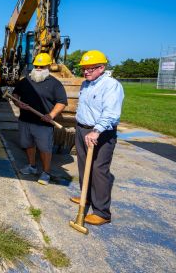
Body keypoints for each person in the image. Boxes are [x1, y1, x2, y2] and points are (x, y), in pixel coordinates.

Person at [72, 50, 124, 226]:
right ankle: (85, 197)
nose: (86, 72)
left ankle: (102, 212)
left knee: (98, 170)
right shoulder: (86, 84)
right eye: (84, 69)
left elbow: (110, 112)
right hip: (82, 129)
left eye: (90, 69)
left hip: (100, 133)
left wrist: (96, 131)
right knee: (82, 164)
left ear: (101, 68)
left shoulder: (111, 85)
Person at [12, 53, 68, 185]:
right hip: (25, 120)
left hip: (43, 123)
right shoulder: (25, 81)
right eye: (36, 65)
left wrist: (51, 115)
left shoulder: (55, 84)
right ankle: (31, 166)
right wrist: (18, 103)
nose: (38, 68)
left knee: (45, 149)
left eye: (41, 66)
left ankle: (46, 172)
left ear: (48, 66)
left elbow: (61, 102)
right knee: (28, 145)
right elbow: (15, 94)